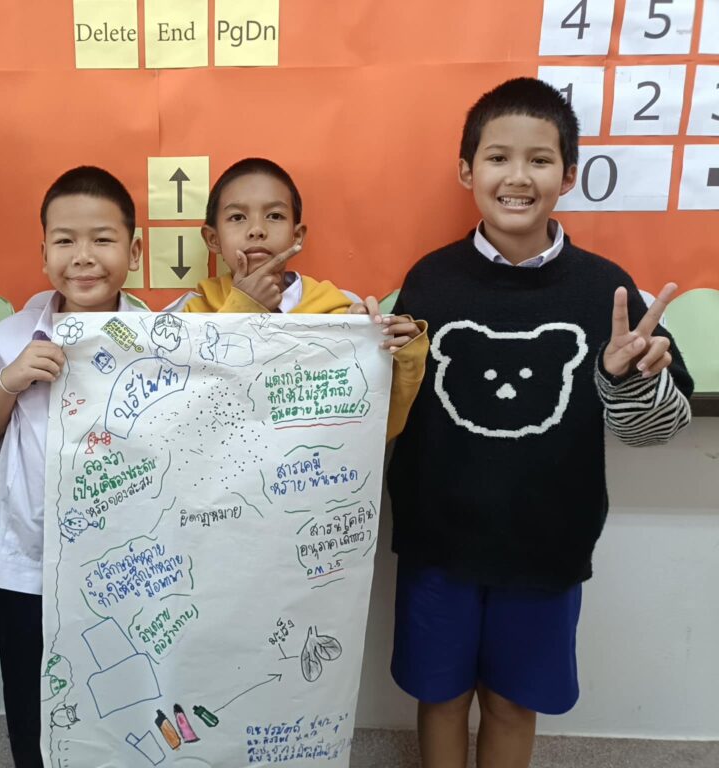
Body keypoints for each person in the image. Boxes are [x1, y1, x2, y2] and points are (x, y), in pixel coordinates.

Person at [383, 77, 694, 768]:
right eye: (498, 157)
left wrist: (627, 377)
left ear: (569, 175)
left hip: (547, 543)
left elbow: (656, 429)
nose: (517, 177)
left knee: (512, 702)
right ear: (466, 170)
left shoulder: (606, 288)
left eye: (540, 160)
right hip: (439, 540)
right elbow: (395, 405)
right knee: (440, 696)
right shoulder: (430, 279)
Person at [0, 166, 148, 768]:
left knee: (128, 707)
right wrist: (11, 380)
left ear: (134, 252)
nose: (83, 256)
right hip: (31, 571)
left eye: (103, 239)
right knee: (35, 715)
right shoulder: (11, 337)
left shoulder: (162, 340)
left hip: (133, 567)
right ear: (43, 253)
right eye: (65, 240)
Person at [168, 157, 428, 440]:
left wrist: (405, 360)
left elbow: (374, 430)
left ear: (297, 236)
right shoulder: (190, 314)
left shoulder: (341, 313)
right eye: (237, 218)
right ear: (213, 239)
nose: (257, 229)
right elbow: (176, 415)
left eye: (275, 216)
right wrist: (242, 308)